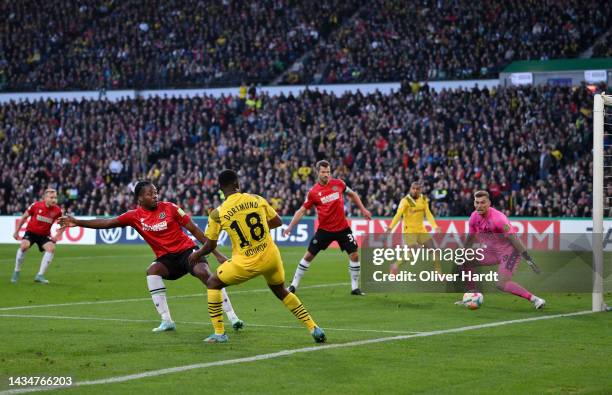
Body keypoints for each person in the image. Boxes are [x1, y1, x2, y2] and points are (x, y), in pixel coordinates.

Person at [58, 181, 244, 332]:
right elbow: (107, 222)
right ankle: (167, 321)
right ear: (139, 198)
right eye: (150, 193)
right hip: (167, 259)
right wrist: (77, 222)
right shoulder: (133, 216)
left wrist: (217, 254)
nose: (155, 196)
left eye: (155, 192)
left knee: (205, 274)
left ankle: (232, 317)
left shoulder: (170, 208)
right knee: (152, 271)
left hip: (187, 252)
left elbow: (194, 229)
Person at [188, 169, 325, 343]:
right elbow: (277, 221)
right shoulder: (257, 199)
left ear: (221, 190)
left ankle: (219, 333)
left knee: (213, 283)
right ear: (238, 185)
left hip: (245, 263)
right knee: (281, 291)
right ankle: (314, 328)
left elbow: (211, 244)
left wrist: (197, 253)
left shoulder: (217, 213)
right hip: (270, 257)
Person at [283, 160, 372, 295]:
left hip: (342, 228)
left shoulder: (339, 184)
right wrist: (289, 227)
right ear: (317, 172)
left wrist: (363, 210)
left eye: (328, 172)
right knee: (308, 256)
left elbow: (353, 194)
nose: (326, 175)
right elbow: (301, 211)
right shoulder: (313, 192)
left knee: (354, 255)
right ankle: (293, 285)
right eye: (324, 172)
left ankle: (355, 288)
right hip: (324, 230)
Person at [462, 190, 545, 309]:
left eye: (483, 202)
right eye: (477, 202)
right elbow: (470, 237)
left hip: (509, 252)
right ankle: (472, 297)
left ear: (489, 203)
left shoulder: (499, 218)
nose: (479, 205)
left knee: (501, 284)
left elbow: (514, 238)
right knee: (467, 260)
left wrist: (529, 260)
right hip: (492, 251)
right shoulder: (474, 217)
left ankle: (535, 299)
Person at [385, 182, 442, 274]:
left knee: (434, 251)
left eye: (417, 189)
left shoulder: (423, 199)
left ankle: (438, 273)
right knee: (413, 252)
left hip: (421, 230)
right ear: (410, 189)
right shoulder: (405, 201)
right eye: (413, 188)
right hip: (409, 231)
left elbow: (428, 214)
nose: (415, 191)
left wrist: (435, 226)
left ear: (420, 190)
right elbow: (398, 215)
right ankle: (395, 265)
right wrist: (390, 227)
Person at [12, 188, 65, 284]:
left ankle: (40, 275)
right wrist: (17, 231)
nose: (54, 200)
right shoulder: (36, 205)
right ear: (45, 198)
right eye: (51, 197)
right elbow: (24, 217)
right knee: (24, 246)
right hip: (31, 233)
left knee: (51, 248)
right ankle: (16, 271)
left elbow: (64, 224)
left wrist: (57, 235)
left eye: (55, 198)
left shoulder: (58, 211)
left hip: (44, 235)